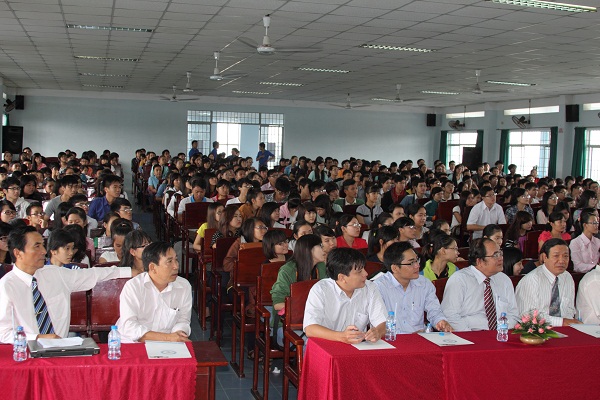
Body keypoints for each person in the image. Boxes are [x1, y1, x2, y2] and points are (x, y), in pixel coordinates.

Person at [0, 226, 131, 343]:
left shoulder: (55, 274)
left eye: (43, 245)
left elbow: (92, 274)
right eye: (37, 246)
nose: (44, 251)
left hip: (60, 350)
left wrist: (129, 271)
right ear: (18, 253)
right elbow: (3, 333)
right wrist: (37, 338)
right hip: (25, 352)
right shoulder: (6, 286)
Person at [303, 247, 387, 344]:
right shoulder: (320, 290)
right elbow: (310, 328)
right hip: (326, 344)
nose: (366, 273)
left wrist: (377, 332)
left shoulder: (370, 288)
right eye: (359, 271)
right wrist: (341, 337)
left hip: (358, 345)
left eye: (364, 268)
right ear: (342, 278)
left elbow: (382, 322)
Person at [116, 242, 192, 343]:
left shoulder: (184, 286)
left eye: (176, 260)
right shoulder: (134, 287)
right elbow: (130, 327)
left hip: (168, 344)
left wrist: (179, 334)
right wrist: (168, 338)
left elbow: (183, 320)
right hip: (132, 343)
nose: (176, 266)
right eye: (169, 261)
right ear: (152, 267)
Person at [441, 238, 519, 331]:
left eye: (500, 253)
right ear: (479, 261)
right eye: (495, 255)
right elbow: (450, 316)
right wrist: (471, 336)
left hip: (500, 334)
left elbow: (513, 314)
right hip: (469, 334)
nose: (501, 258)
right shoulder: (459, 280)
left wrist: (500, 331)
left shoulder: (504, 280)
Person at [375, 242, 452, 334]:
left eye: (417, 260)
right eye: (411, 263)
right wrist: (409, 336)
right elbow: (379, 325)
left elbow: (434, 310)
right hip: (392, 338)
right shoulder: (379, 287)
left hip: (419, 336)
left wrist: (440, 321)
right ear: (395, 268)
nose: (417, 266)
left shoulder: (424, 284)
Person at [515, 238, 581, 327]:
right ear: (545, 257)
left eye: (565, 256)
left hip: (565, 328)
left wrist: (568, 323)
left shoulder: (567, 277)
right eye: (556, 256)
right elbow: (528, 316)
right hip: (536, 330)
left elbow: (569, 310)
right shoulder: (531, 280)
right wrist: (561, 322)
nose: (561, 261)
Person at [271, 234, 327, 311]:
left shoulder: (321, 266)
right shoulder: (288, 270)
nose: (324, 249)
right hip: (292, 314)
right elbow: (278, 303)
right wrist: (306, 308)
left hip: (316, 312)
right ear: (309, 249)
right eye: (320, 246)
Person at [569, 208, 600, 273]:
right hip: (583, 275)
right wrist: (595, 267)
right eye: (594, 223)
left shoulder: (598, 241)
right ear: (585, 225)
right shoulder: (575, 243)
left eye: (597, 222)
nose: (597, 225)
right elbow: (577, 266)